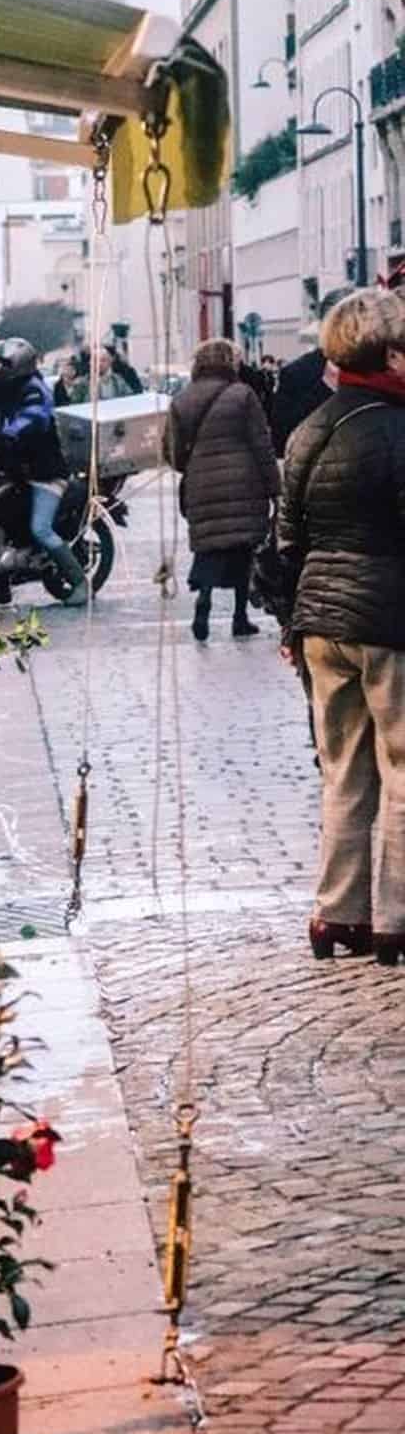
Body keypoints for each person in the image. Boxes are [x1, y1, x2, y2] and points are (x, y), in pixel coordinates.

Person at [277, 289, 405, 965]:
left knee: (344, 772)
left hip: (320, 623)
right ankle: (397, 918)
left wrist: (289, 623)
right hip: (389, 621)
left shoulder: (309, 428)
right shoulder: (396, 430)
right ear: (389, 353)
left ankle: (338, 914)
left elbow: (286, 541)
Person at [166, 338, 279, 643]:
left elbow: (173, 453)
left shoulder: (182, 399)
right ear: (230, 362)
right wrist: (274, 487)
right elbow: (261, 444)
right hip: (245, 482)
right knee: (243, 549)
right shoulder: (243, 395)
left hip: (201, 484)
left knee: (209, 548)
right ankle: (239, 617)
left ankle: (202, 606)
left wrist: (194, 467)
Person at [0, 337, 88, 609]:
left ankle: (80, 583)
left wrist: (5, 437)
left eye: (3, 363)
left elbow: (31, 419)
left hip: (45, 472)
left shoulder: (35, 389)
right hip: (18, 471)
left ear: (17, 364)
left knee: (41, 529)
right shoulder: (0, 388)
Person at [270, 287, 347, 456]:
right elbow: (282, 438)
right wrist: (325, 388)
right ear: (324, 327)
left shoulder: (384, 366)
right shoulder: (297, 373)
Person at [70, 345, 137, 404]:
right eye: (95, 360)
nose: (99, 363)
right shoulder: (82, 383)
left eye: (103, 360)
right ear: (90, 363)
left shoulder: (118, 381)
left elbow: (129, 400)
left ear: (110, 362)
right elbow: (73, 406)